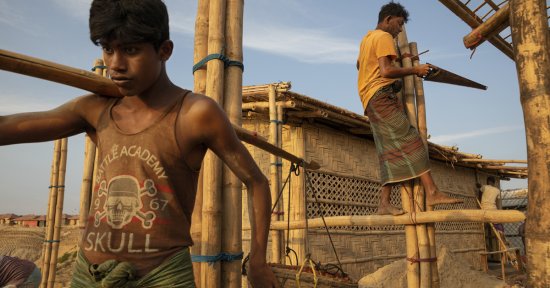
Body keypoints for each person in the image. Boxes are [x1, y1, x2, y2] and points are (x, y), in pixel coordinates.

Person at [0, 0, 279, 287]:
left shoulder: (195, 114)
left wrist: (257, 259)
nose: (116, 64)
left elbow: (256, 181)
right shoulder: (95, 110)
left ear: (164, 50)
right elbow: (9, 127)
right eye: (108, 49)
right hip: (89, 275)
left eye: (130, 50)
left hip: (161, 277)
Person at [356, 2, 462, 215]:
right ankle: (432, 191)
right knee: (412, 140)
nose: (400, 30)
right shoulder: (384, 37)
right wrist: (415, 69)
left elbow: (359, 65)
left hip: (370, 99)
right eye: (399, 23)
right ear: (388, 20)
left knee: (389, 152)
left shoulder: (367, 39)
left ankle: (384, 203)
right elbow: (386, 71)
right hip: (380, 97)